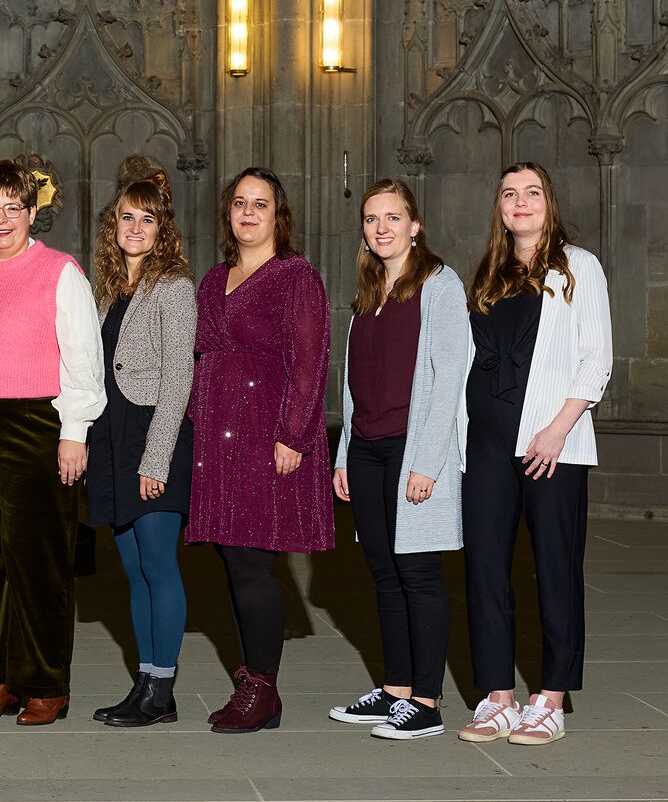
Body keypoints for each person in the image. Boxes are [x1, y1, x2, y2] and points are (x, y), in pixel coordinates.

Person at [0, 159, 105, 727]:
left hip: (37, 424)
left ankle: (46, 683)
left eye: (13, 208)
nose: (1, 219)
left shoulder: (61, 273)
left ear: (32, 213)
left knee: (39, 562)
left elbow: (84, 358)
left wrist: (74, 433)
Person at [457, 162, 612, 747]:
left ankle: (551, 697)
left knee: (556, 568)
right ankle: (498, 695)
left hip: (554, 443)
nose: (520, 203)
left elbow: (596, 358)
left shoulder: (579, 266)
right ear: (498, 207)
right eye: (508, 194)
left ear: (549, 201)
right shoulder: (489, 274)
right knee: (485, 570)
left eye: (532, 193)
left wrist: (557, 429)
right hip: (488, 444)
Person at [188, 167, 333, 734]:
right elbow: (203, 359)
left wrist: (294, 436)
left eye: (261, 204)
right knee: (232, 564)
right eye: (240, 203)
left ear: (279, 215)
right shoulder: (212, 279)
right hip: (217, 440)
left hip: (267, 440)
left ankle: (263, 690)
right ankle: (249, 682)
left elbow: (310, 360)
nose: (249, 213)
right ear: (228, 213)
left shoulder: (296, 277)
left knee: (253, 565)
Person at [328, 180, 471, 741]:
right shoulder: (370, 290)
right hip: (365, 446)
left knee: (419, 574)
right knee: (384, 574)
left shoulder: (440, 285)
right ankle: (396, 691)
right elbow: (354, 383)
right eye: (371, 219)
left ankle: (429, 704)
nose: (381, 227)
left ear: (416, 225)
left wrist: (427, 465)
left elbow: (447, 377)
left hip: (413, 447)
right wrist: (343, 452)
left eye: (393, 217)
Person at [86, 174, 196, 728]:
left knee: (159, 565)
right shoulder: (106, 288)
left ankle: (164, 688)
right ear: (115, 224)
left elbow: (180, 378)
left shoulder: (174, 287)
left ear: (162, 229)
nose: (135, 228)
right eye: (127, 217)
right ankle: (147, 682)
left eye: (147, 219)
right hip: (112, 434)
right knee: (132, 570)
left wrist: (156, 461)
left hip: (155, 433)